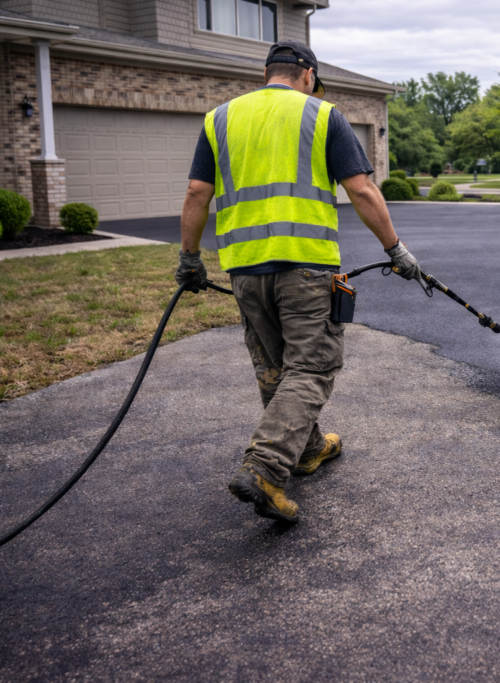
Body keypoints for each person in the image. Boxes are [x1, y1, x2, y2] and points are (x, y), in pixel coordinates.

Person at [174, 40, 424, 523]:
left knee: (275, 368)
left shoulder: (219, 119)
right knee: (311, 368)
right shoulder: (322, 115)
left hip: (245, 269)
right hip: (306, 266)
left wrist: (189, 258)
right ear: (308, 75)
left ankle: (308, 449)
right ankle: (265, 469)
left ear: (267, 73)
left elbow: (196, 192)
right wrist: (395, 248)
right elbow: (361, 189)